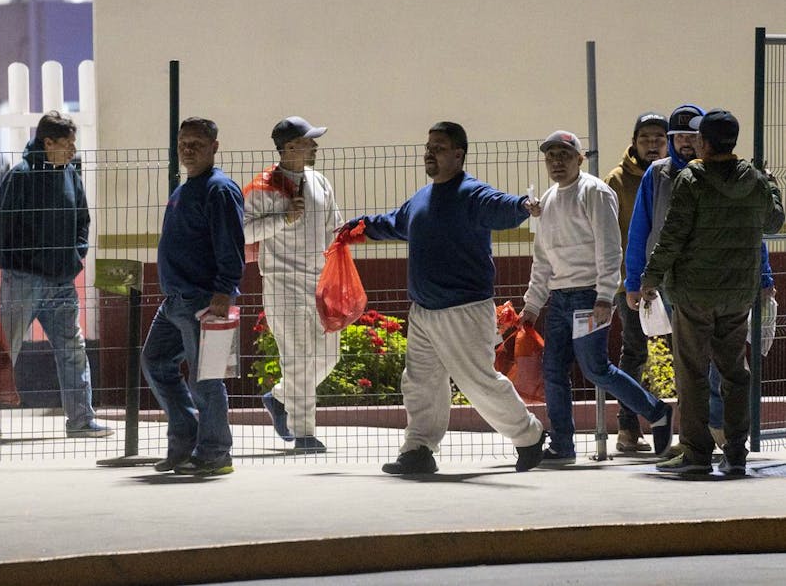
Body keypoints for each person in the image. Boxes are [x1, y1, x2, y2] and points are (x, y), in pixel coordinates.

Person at [345, 121, 547, 475]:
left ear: (458, 154)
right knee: (420, 382)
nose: (429, 153)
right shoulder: (423, 198)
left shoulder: (472, 194)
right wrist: (363, 227)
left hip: (463, 310)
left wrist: (522, 205)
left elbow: (501, 206)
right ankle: (419, 449)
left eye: (438, 148)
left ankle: (530, 437)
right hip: (423, 311)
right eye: (428, 147)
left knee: (478, 381)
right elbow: (396, 221)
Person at [625, 105, 775, 455]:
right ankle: (736, 448)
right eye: (680, 138)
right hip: (734, 291)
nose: (688, 144)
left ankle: (698, 450)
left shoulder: (692, 179)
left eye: (694, 137)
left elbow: (671, 237)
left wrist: (648, 277)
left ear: (705, 141)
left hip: (693, 292)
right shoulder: (750, 178)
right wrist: (771, 185)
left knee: (693, 372)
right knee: (734, 370)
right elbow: (769, 223)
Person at [521, 130, 673, 464]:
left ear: (579, 158)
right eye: (551, 156)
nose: (557, 162)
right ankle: (563, 446)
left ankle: (658, 411)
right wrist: (532, 305)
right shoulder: (546, 200)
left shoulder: (595, 192)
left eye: (564, 155)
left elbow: (609, 247)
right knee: (553, 373)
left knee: (595, 368)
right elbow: (542, 259)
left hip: (589, 297)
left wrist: (605, 296)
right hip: (559, 300)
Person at [0, 111, 112, 440]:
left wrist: (77, 254)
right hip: (23, 280)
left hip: (62, 280)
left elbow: (82, 220)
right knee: (9, 347)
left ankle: (81, 419)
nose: (73, 150)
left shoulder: (71, 174)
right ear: (48, 143)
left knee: (72, 349)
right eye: (68, 143)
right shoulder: (20, 176)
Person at [142, 117, 245, 476]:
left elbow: (231, 246)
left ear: (214, 147)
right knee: (155, 362)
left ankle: (216, 452)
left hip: (203, 300)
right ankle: (186, 442)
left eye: (197, 144)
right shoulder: (185, 188)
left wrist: (225, 291)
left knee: (206, 378)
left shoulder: (220, 190)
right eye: (183, 143)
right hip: (175, 301)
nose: (188, 150)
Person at [244, 116, 342, 454]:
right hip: (283, 285)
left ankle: (280, 397)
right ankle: (303, 433)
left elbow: (335, 226)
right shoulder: (262, 187)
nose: (314, 145)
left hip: (322, 282)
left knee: (329, 358)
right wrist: (281, 220)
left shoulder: (320, 182)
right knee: (298, 359)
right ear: (289, 148)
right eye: (308, 140)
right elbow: (240, 232)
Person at [603, 111, 669, 453]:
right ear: (634, 142)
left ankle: (690, 429)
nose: (652, 145)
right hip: (631, 281)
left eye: (659, 138)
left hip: (674, 282)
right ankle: (627, 428)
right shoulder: (617, 180)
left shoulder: (678, 174)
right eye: (644, 138)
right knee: (634, 352)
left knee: (685, 352)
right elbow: (610, 232)